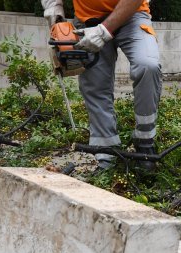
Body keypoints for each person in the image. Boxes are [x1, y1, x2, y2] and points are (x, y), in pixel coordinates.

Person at [42, 0, 162, 173]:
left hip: (133, 14)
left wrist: (104, 31)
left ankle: (145, 141)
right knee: (95, 86)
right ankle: (107, 154)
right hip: (87, 19)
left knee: (148, 65)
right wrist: (54, 10)